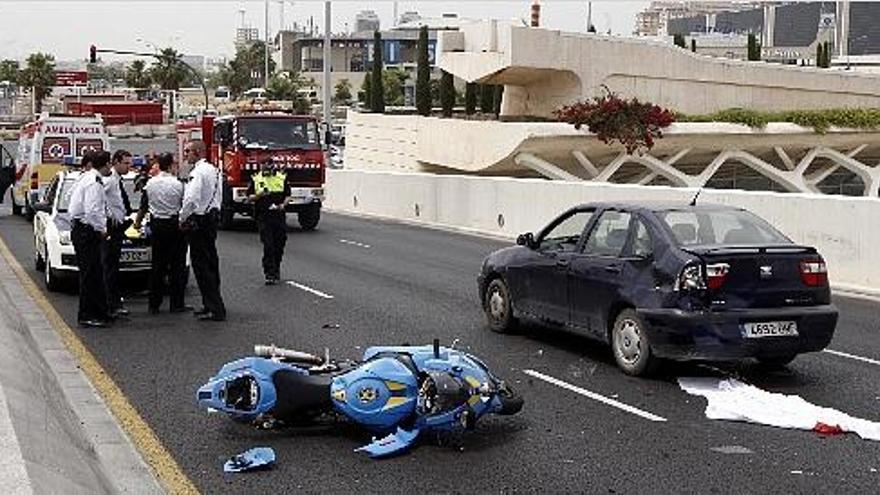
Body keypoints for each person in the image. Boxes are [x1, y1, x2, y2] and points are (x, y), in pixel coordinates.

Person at [134, 153, 189, 314]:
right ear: (171, 165)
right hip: (175, 226)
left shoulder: (150, 184)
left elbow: (143, 206)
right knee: (177, 266)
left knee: (157, 266)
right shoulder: (178, 184)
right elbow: (184, 205)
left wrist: (137, 223)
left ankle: (154, 304)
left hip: (157, 226)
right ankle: (176, 304)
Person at [179, 140, 226, 322]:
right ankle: (212, 304)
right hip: (211, 218)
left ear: (198, 152)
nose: (186, 155)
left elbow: (191, 198)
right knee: (211, 263)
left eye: (188, 151)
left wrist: (182, 217)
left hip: (200, 220)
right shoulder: (213, 170)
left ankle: (214, 308)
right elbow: (219, 195)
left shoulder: (197, 172)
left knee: (201, 266)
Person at [68, 151, 113, 327]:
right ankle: (87, 315)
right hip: (87, 231)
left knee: (95, 273)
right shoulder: (94, 182)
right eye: (109, 164)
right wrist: (102, 229)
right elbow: (92, 210)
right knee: (90, 275)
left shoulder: (85, 178)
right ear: (106, 164)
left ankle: (100, 312)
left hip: (83, 229)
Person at [247, 158, 290, 284]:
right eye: (262, 165)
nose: (264, 167)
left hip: (279, 215)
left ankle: (276, 268)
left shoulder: (282, 177)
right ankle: (269, 273)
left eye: (267, 165)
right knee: (268, 244)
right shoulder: (256, 178)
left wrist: (283, 205)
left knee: (280, 243)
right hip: (263, 216)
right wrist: (259, 195)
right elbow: (249, 197)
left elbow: (288, 195)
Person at [103, 150, 133, 317]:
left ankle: (114, 302)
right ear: (115, 162)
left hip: (118, 227)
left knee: (113, 267)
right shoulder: (109, 181)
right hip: (111, 228)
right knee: (110, 268)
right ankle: (111, 304)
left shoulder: (116, 180)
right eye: (126, 163)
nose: (129, 166)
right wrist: (109, 215)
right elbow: (98, 197)